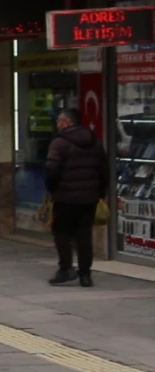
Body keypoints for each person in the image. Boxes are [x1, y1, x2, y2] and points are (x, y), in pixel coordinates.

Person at [45, 108, 108, 287]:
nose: (57, 125)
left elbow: (51, 169)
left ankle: (65, 269)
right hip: (89, 198)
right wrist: (100, 193)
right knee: (84, 235)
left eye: (58, 121)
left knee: (61, 233)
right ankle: (85, 275)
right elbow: (103, 170)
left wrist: (52, 190)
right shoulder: (94, 141)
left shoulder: (59, 143)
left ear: (66, 122)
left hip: (64, 198)